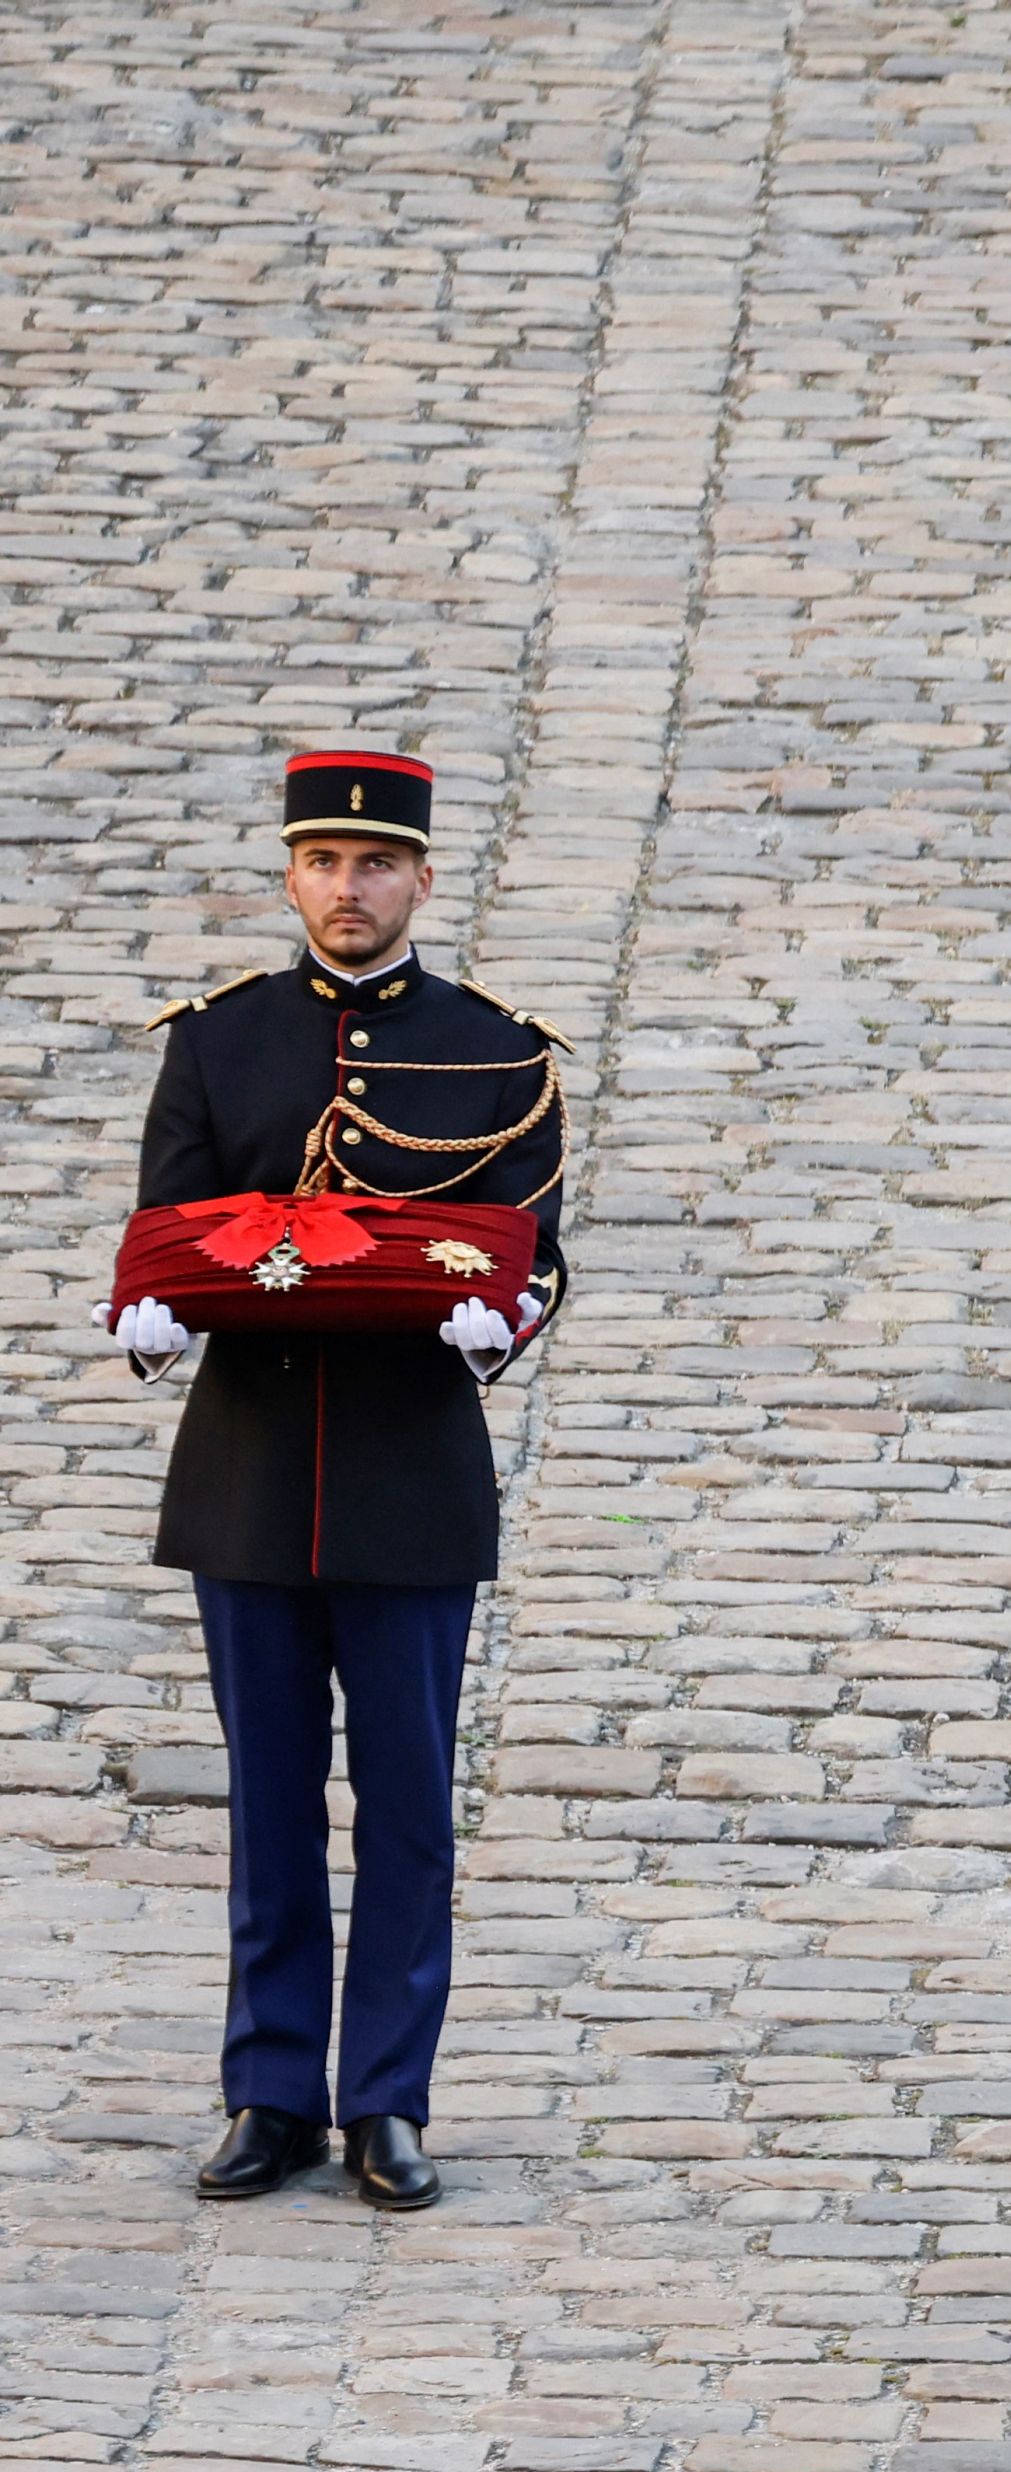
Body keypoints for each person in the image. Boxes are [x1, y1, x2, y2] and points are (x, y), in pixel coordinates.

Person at [114, 748, 570, 2214]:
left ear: (421, 879)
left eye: (375, 864)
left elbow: (534, 1245)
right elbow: (168, 1227)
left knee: (410, 1807)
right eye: (323, 862)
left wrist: (505, 1321)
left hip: (409, 1477)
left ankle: (385, 2099)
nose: (347, 887)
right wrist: (151, 1316)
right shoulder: (220, 1041)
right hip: (248, 1473)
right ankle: (268, 2092)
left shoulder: (494, 1049)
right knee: (270, 1805)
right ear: (292, 875)